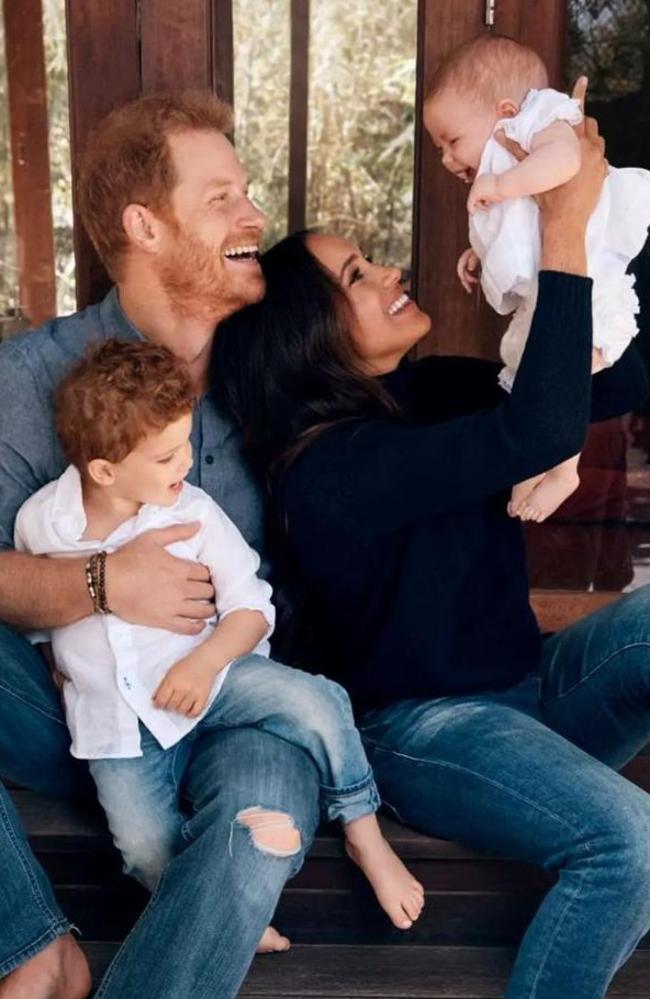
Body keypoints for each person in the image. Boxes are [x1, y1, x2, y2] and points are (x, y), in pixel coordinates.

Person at [211, 108, 650, 999]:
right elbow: (537, 427)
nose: (390, 274)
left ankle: (553, 787)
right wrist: (558, 225)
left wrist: (592, 223)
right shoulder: (327, 470)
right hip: (426, 731)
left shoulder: (428, 392)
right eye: (357, 275)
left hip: (527, 694)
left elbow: (617, 382)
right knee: (627, 842)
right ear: (307, 330)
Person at [0, 91, 324, 999]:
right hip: (82, 722)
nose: (254, 214)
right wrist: (103, 582)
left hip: (234, 704)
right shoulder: (29, 379)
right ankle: (32, 943)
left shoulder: (277, 367)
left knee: (259, 824)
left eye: (246, 191)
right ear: (145, 224)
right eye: (221, 195)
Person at [14, 337, 424, 932]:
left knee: (318, 702)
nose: (185, 463)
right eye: (165, 456)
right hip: (118, 724)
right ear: (104, 469)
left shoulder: (194, 512)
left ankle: (364, 831)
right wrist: (55, 658)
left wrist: (204, 663)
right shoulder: (42, 522)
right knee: (141, 845)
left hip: (215, 673)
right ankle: (217, 909)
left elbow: (252, 608)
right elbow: (39, 610)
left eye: (186, 443)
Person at [423, 35, 650, 523]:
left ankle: (563, 471)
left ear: (505, 110)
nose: (445, 158)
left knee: (560, 384)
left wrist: (502, 185)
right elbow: (523, 229)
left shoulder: (540, 120)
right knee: (532, 384)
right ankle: (529, 471)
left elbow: (566, 163)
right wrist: (479, 252)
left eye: (452, 140)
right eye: (438, 146)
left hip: (590, 288)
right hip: (551, 292)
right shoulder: (509, 157)